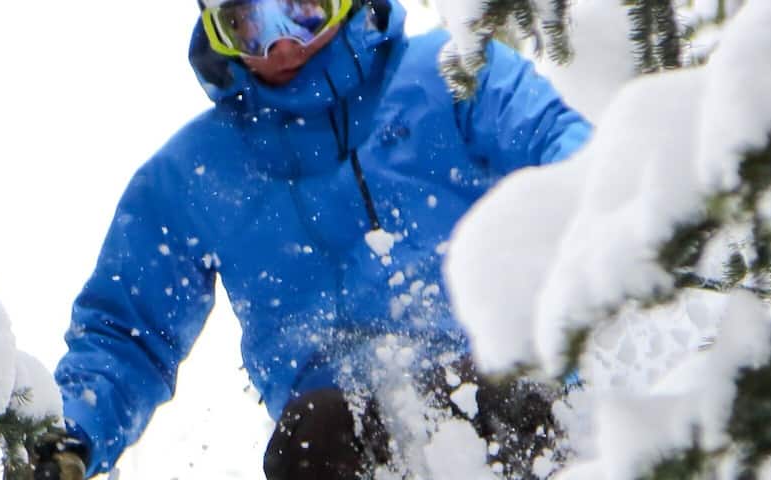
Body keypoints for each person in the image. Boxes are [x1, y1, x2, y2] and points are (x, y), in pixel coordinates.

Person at [30, 0, 589, 478]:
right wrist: (73, 429)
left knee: (506, 389)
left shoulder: (452, 74)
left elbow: (571, 158)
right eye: (248, 24)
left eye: (301, 10)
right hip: (342, 428)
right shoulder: (198, 172)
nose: (281, 46)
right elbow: (127, 332)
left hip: (499, 375)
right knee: (314, 432)